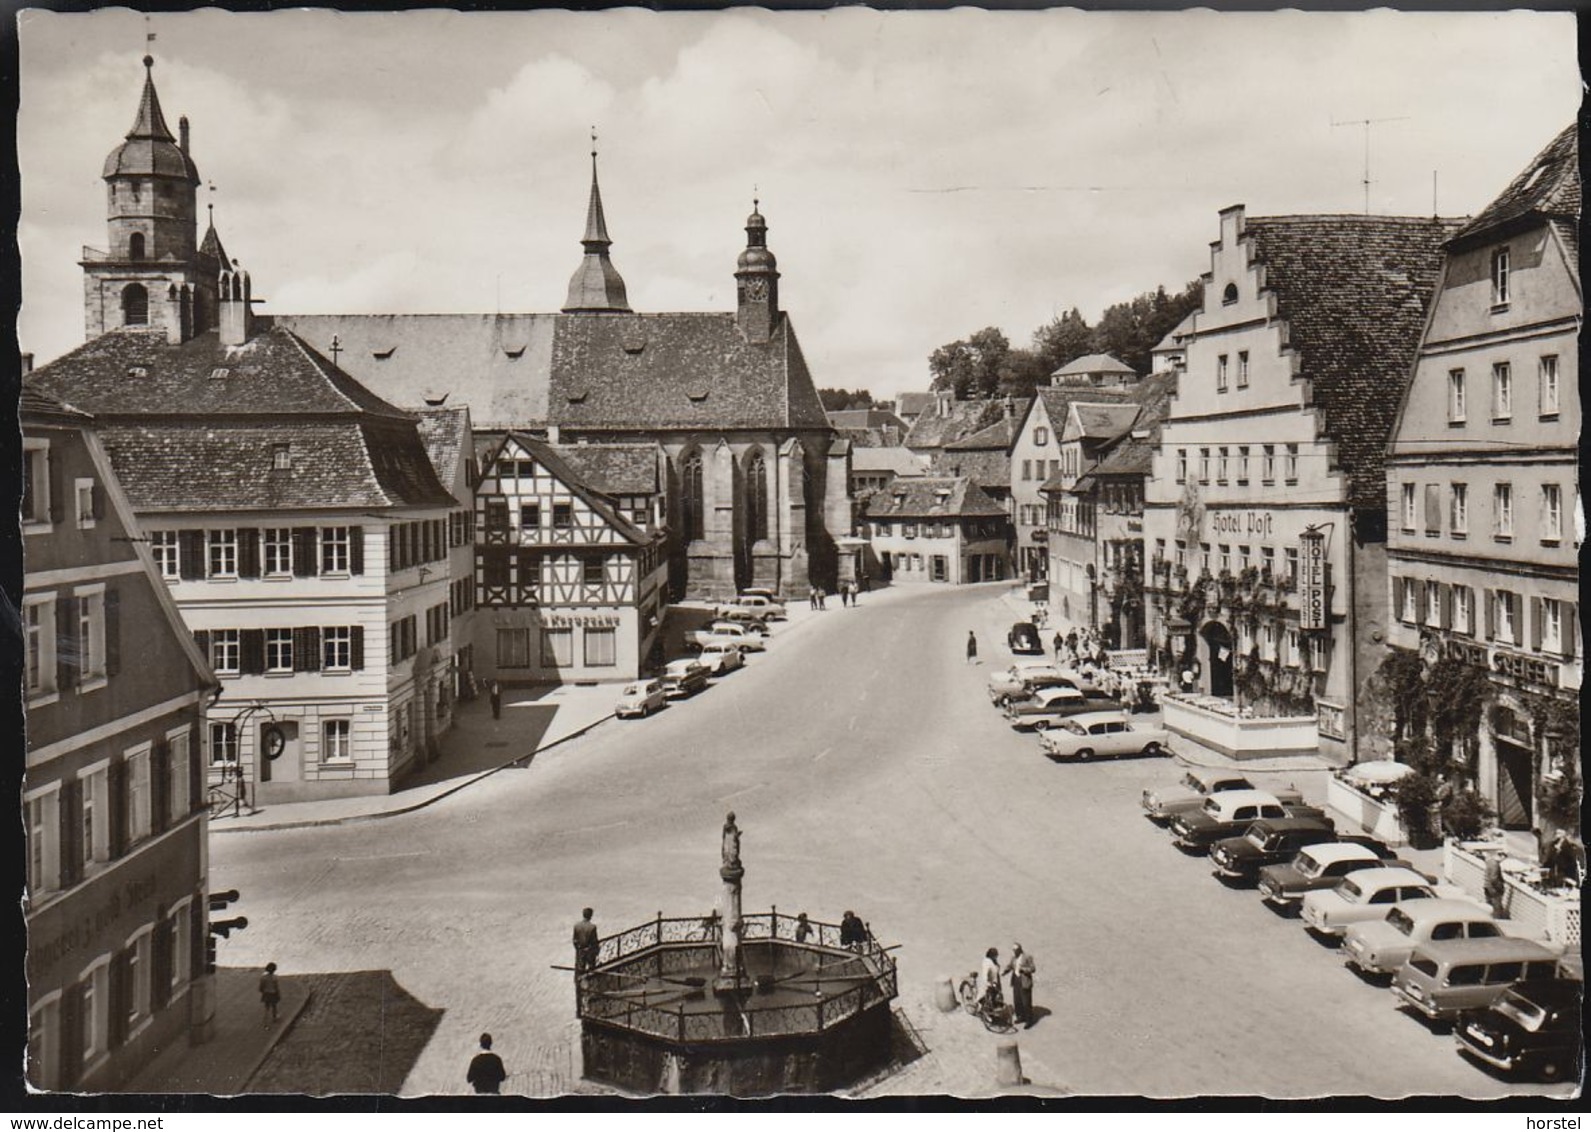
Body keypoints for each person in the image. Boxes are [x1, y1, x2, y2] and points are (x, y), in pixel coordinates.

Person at [1003, 943, 1037, 1027]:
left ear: (1020, 949)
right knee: (1017, 1000)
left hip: (1024, 981)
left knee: (1026, 1002)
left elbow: (1033, 968)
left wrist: (1023, 969)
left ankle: (1029, 1020)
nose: (1014, 952)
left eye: (1016, 950)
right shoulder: (1013, 957)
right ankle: (1021, 1016)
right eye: (1013, 950)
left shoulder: (1027, 957)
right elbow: (1010, 966)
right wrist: (1004, 971)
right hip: (1016, 981)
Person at [573, 907, 599, 974]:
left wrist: (578, 949)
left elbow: (574, 940)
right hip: (589, 952)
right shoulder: (592, 927)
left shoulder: (576, 926)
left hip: (580, 951)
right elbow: (594, 942)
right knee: (591, 969)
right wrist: (596, 950)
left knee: (580, 969)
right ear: (591, 915)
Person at [1483, 850, 1508, 919]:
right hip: (1494, 889)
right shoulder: (1495, 865)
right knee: (1497, 908)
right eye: (1503, 858)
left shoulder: (1489, 861)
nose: (1503, 860)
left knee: (1489, 906)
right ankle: (1497, 921)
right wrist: (1500, 888)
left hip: (1487, 886)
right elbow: (1494, 879)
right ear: (1501, 856)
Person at [979, 947, 1004, 1013]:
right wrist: (988, 983)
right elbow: (985, 975)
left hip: (995, 981)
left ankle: (993, 1008)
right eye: (995, 956)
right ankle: (982, 1009)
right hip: (989, 982)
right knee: (987, 996)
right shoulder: (987, 963)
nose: (996, 957)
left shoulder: (994, 961)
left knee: (996, 995)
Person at [258, 962, 281, 1028]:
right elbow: (276, 987)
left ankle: (265, 1020)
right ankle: (274, 1017)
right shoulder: (275, 978)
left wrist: (262, 990)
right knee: (274, 1006)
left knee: (266, 1007)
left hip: (266, 993)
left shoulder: (263, 977)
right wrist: (278, 994)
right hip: (273, 993)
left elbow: (261, 986)